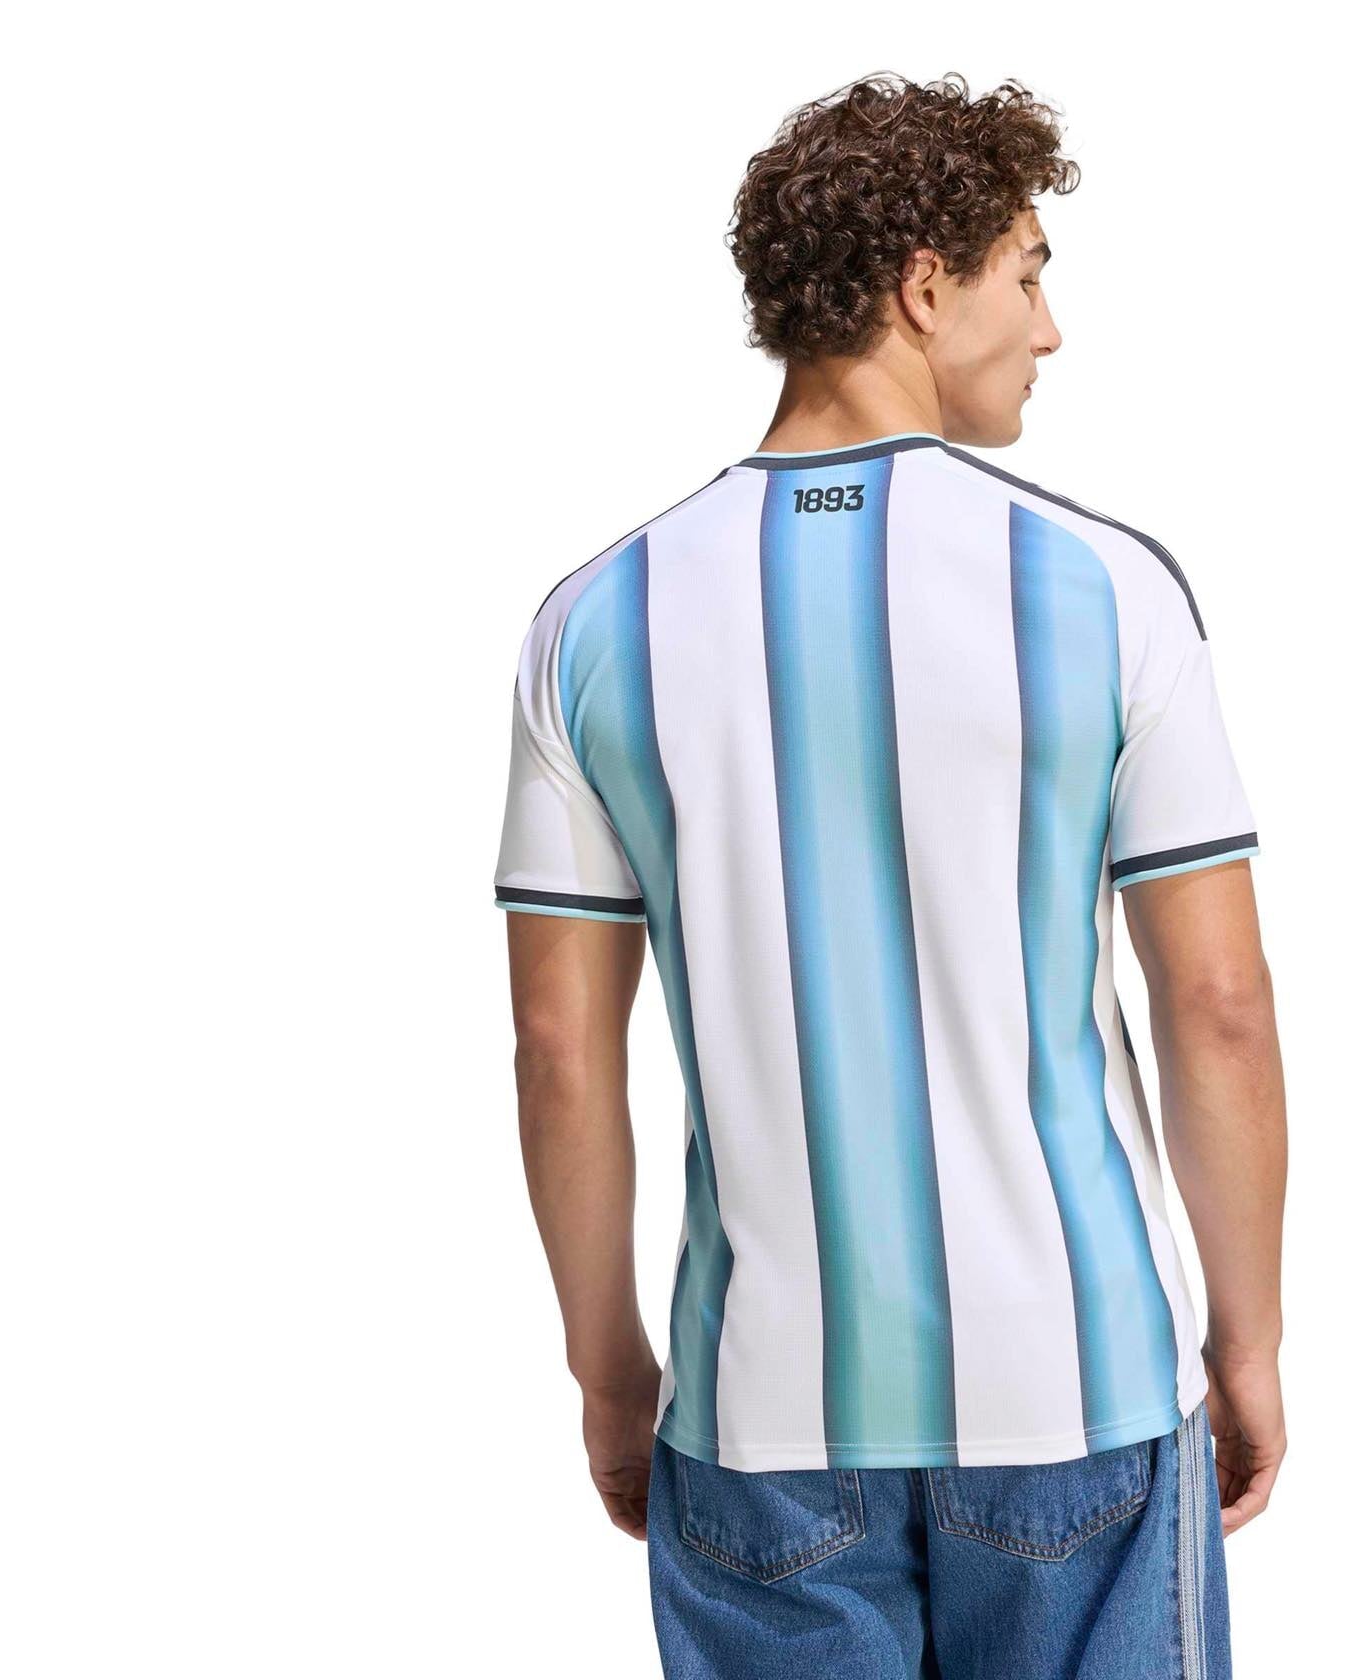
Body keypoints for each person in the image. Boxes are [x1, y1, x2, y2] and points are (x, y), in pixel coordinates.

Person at [495, 72, 1287, 1680]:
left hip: (758, 1414)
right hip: (1081, 1390)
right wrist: (1249, 1336)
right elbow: (1216, 1002)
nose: (1050, 329)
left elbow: (560, 1049)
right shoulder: (1107, 587)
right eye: (1027, 274)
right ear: (927, 287)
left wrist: (609, 1373)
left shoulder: (594, 622)